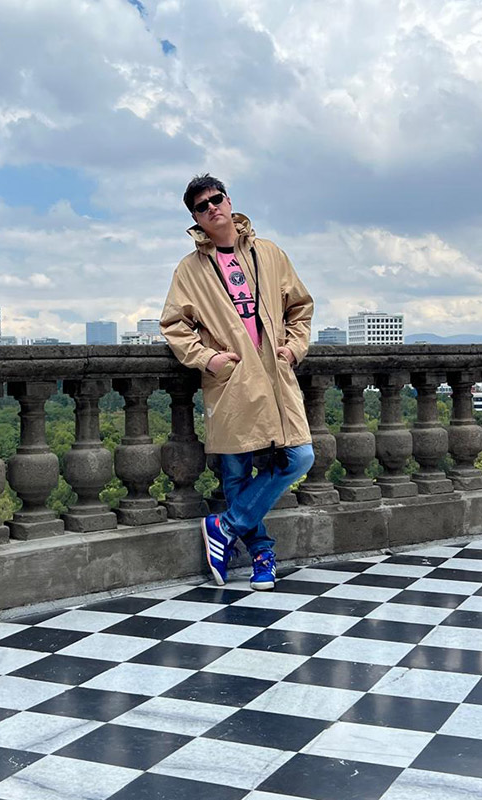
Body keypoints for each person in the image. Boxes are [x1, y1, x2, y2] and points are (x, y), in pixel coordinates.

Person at [160, 174, 315, 590]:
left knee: (299, 457)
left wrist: (293, 349)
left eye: (216, 199)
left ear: (229, 201)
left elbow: (300, 307)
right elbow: (174, 325)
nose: (212, 207)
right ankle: (262, 554)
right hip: (231, 382)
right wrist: (208, 359)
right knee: (235, 475)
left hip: (275, 376)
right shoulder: (190, 269)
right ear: (195, 218)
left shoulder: (269, 253)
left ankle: (224, 526)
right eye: (201, 206)